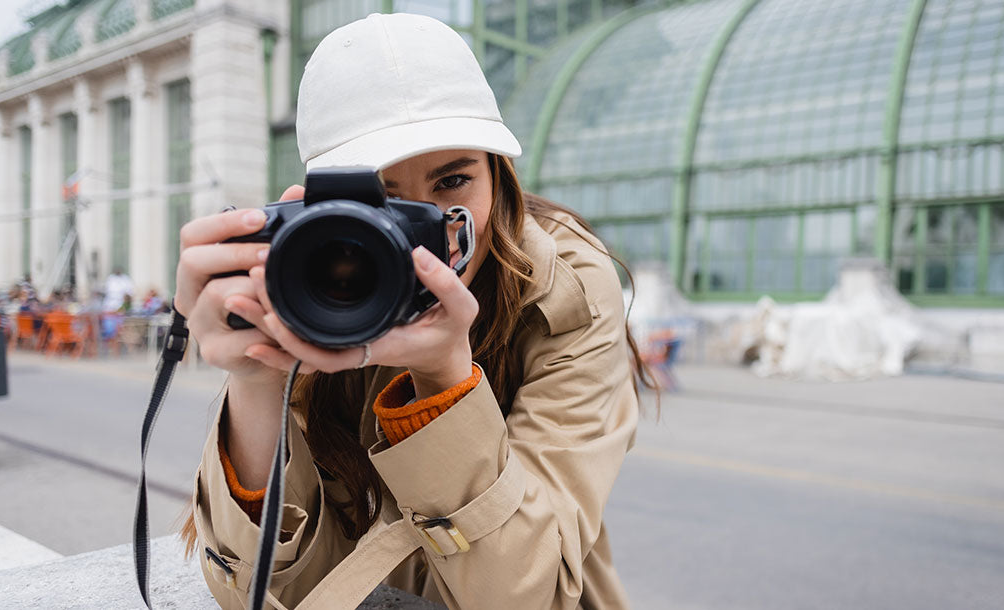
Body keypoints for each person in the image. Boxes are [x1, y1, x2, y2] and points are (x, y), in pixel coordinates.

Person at [175, 13, 655, 609]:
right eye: (382, 203)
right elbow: (262, 589)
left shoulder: (563, 287)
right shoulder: (302, 278)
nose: (419, 234)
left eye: (452, 181)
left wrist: (444, 381)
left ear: (497, 175)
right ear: (320, 206)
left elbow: (523, 596)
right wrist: (254, 381)